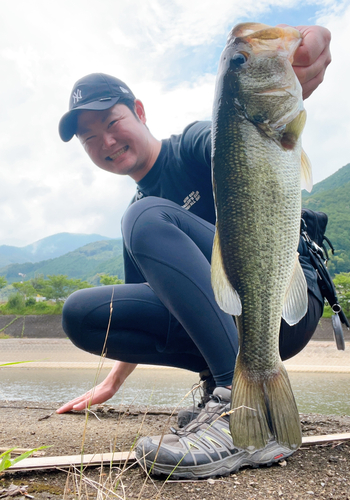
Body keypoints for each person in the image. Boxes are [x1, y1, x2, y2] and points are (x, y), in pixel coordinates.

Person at [57, 25, 331, 479]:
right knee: (82, 315)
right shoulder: (142, 218)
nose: (105, 142)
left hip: (281, 303)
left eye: (112, 123)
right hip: (234, 322)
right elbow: (159, 301)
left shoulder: (198, 143)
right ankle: (234, 384)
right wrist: (111, 382)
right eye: (89, 138)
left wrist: (299, 60)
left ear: (139, 111)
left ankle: (235, 408)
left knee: (143, 219)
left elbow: (249, 134)